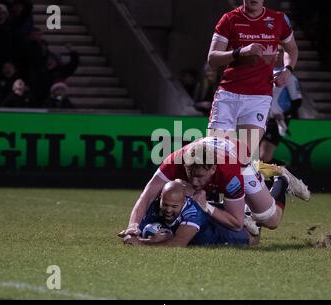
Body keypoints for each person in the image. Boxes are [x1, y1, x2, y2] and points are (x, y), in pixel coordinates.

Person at [118, 136, 310, 240]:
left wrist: (206, 207)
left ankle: (280, 176)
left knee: (270, 220)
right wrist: (133, 225)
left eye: (200, 176)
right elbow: (147, 194)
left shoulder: (229, 172)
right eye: (189, 173)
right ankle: (244, 208)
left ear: (212, 169)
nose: (194, 180)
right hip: (215, 147)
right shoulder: (175, 160)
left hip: (240, 161)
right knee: (180, 188)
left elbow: (235, 223)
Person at [206, 0, 299, 157]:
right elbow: (212, 58)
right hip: (228, 95)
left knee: (243, 156)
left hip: (259, 98)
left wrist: (288, 70)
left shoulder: (278, 19)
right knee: (217, 156)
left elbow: (292, 49)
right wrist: (239, 52)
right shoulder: (229, 19)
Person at [119, 181, 259, 247]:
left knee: (255, 235)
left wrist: (144, 243)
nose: (168, 210)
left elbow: (179, 243)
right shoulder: (154, 206)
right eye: (165, 205)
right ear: (160, 199)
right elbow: (134, 233)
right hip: (207, 223)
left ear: (184, 202)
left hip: (225, 235)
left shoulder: (191, 211)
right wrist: (133, 233)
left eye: (174, 206)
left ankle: (280, 180)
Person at [260, 47, 303, 163]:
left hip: (276, 121)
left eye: (281, 51)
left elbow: (297, 101)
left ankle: (282, 171)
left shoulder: (289, 77)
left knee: (264, 156)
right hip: (260, 118)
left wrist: (284, 115)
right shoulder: (262, 73)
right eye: (276, 50)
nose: (278, 53)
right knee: (253, 154)